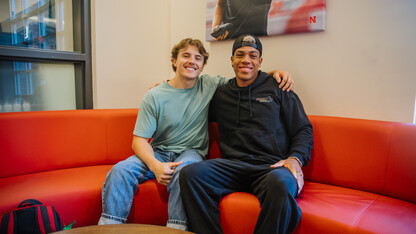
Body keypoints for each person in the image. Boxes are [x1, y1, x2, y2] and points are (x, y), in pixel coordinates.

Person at [98, 38, 295, 230]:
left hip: (191, 152)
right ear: (174, 61)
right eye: (186, 56)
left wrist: (274, 73)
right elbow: (139, 140)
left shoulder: (209, 85)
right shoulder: (155, 95)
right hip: (159, 151)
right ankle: (109, 228)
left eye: (198, 58)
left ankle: (177, 229)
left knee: (184, 172)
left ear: (202, 66)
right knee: (120, 171)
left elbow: (246, 75)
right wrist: (155, 165)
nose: (192, 61)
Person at [180, 34, 313, 233]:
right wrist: (167, 88)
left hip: (271, 167)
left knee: (282, 183)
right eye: (240, 55)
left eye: (253, 55)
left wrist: (295, 158)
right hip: (233, 167)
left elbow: (303, 129)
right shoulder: (221, 94)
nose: (246, 60)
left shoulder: (279, 88)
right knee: (190, 174)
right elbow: (191, 96)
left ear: (260, 61)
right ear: (232, 60)